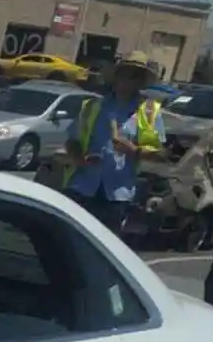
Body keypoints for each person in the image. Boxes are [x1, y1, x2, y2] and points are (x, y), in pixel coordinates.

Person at [59, 52, 164, 232]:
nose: (125, 81)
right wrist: (80, 158)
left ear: (139, 81)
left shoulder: (148, 111)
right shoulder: (93, 106)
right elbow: (72, 141)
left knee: (104, 244)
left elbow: (160, 154)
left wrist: (133, 150)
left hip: (117, 193)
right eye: (122, 74)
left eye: (132, 76)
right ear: (115, 77)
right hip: (82, 187)